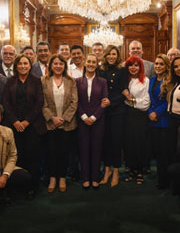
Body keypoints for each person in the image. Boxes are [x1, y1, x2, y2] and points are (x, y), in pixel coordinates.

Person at [2, 54, 46, 194]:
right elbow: (5, 102)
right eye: (20, 64)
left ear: (30, 65)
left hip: (32, 126)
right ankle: (19, 186)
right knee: (17, 156)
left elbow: (39, 103)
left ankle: (33, 186)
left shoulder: (37, 81)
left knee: (33, 156)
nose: (22, 66)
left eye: (25, 63)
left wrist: (26, 121)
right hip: (14, 126)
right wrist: (15, 121)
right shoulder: (9, 81)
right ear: (16, 66)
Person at [41, 54, 78, 193]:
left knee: (64, 152)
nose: (58, 66)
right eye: (55, 63)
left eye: (61, 64)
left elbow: (75, 102)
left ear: (64, 66)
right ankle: (52, 178)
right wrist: (52, 118)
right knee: (50, 152)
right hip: (50, 124)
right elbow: (42, 103)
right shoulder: (43, 81)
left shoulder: (71, 81)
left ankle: (62, 177)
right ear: (51, 65)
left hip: (67, 124)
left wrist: (63, 118)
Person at [76, 54, 109, 189]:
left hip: (98, 120)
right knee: (83, 149)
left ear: (97, 64)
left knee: (96, 149)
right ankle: (85, 177)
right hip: (81, 120)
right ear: (85, 63)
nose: (90, 64)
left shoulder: (102, 81)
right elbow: (75, 101)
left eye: (93, 62)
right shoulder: (77, 81)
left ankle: (95, 177)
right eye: (88, 61)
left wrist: (94, 117)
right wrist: (84, 117)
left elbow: (104, 101)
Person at [98, 45, 129, 187]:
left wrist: (112, 101)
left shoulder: (122, 70)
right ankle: (107, 170)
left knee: (116, 141)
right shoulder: (101, 69)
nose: (111, 57)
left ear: (118, 56)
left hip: (117, 110)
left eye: (114, 54)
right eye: (109, 54)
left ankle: (116, 170)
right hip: (103, 111)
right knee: (105, 141)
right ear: (105, 55)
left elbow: (123, 90)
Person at [123, 56, 150, 184]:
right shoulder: (124, 80)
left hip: (139, 115)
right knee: (128, 143)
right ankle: (131, 170)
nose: (133, 68)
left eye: (136, 65)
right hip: (126, 115)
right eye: (130, 65)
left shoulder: (145, 80)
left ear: (140, 67)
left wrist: (129, 100)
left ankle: (140, 170)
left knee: (140, 142)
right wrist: (131, 102)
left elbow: (145, 103)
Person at [148, 54, 172, 189]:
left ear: (166, 66)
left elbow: (167, 101)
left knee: (164, 152)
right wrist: (150, 112)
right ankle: (160, 176)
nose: (158, 66)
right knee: (157, 151)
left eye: (161, 64)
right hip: (152, 120)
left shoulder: (170, 81)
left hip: (164, 120)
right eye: (156, 64)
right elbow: (149, 98)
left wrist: (156, 112)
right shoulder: (151, 80)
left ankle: (165, 180)